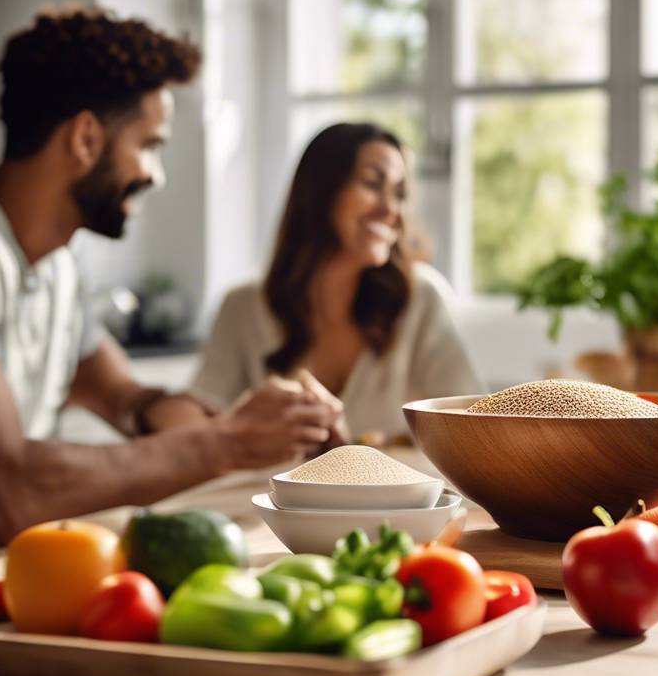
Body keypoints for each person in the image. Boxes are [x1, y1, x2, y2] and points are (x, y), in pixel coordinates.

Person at [0, 7, 340, 585]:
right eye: (149, 145)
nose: (155, 174)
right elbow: (9, 491)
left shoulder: (55, 266)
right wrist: (228, 442)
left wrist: (267, 423)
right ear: (84, 138)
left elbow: (129, 398)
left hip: (1, 581)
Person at [184, 122, 483, 443]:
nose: (391, 210)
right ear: (320, 191)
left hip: (398, 493)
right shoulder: (243, 306)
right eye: (372, 184)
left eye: (399, 194)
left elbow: (475, 427)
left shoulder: (420, 297)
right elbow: (200, 419)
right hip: (272, 494)